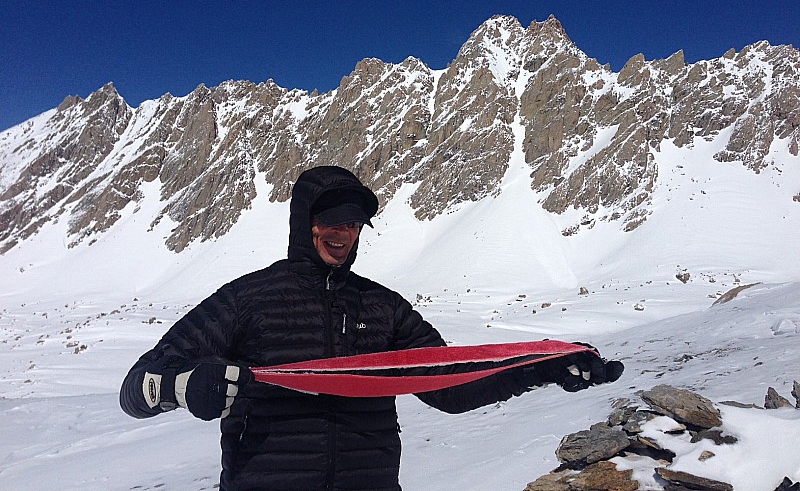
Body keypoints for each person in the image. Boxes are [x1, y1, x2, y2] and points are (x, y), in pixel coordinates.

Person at [120, 165, 623, 491]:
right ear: (305, 222)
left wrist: (543, 366)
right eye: (332, 219)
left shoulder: (383, 307)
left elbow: (448, 385)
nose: (343, 232)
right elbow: (136, 390)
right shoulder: (248, 298)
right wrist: (186, 387)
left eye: (354, 222)